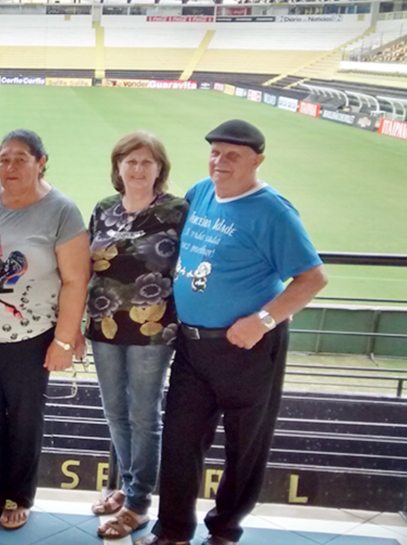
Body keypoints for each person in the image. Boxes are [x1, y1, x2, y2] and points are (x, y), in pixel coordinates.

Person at [135, 120, 327, 545]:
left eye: (232, 155)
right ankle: (172, 531)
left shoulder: (273, 211)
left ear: (257, 160)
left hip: (248, 350)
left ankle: (224, 530)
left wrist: (262, 320)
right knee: (181, 441)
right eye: (215, 152)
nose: (220, 162)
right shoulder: (201, 192)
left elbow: (312, 278)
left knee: (246, 446)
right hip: (191, 345)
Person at [0, 130, 89, 530]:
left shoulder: (62, 211)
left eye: (20, 159)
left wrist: (65, 339)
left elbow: (75, 280)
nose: (9, 167)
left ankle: (20, 494)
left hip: (31, 337)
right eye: (3, 158)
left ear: (41, 162)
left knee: (24, 417)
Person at [85, 131, 188, 539]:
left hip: (153, 327)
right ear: (118, 167)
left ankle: (139, 502)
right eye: (130, 161)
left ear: (160, 168)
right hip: (103, 324)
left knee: (144, 415)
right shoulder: (104, 208)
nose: (138, 168)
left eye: (147, 162)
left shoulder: (177, 210)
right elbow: (88, 265)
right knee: (115, 412)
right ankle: (128, 486)